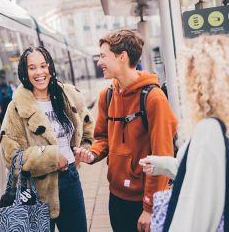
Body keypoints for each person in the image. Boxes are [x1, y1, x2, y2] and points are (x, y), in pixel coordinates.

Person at [75, 29, 178, 232]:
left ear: (122, 57)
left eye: (103, 56)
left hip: (143, 201)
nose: (99, 62)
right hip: (116, 197)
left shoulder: (154, 98)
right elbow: (103, 137)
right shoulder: (107, 95)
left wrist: (149, 207)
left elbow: (162, 157)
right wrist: (92, 153)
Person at [0, 46, 95, 232]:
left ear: (50, 67)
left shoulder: (68, 96)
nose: (40, 72)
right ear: (24, 72)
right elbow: (11, 156)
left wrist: (83, 148)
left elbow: (87, 125)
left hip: (70, 180)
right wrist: (51, 157)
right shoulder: (16, 108)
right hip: (35, 189)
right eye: (32, 67)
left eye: (43, 65)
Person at [139, 35, 228, 231]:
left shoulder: (208, 130)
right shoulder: (221, 126)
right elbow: (204, 172)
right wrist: (162, 164)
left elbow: (193, 207)